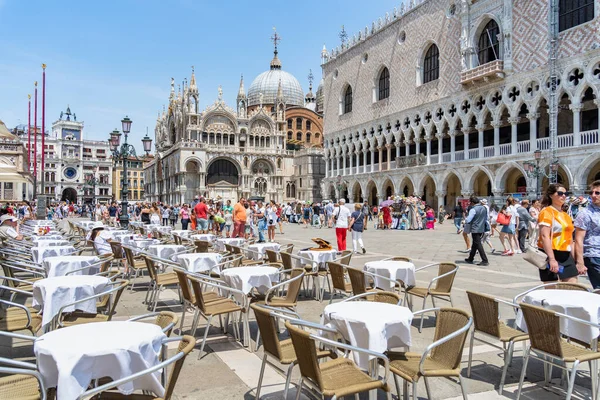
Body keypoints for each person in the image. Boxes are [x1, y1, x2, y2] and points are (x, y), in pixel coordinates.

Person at [538, 184, 583, 283]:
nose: (563, 196)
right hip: (550, 253)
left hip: (565, 255)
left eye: (565, 193)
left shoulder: (565, 215)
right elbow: (545, 236)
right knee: (552, 289)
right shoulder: (546, 212)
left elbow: (570, 239)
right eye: (560, 193)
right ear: (551, 195)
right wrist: (552, 259)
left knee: (572, 286)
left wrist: (575, 260)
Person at [574, 180, 600, 288]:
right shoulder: (585, 213)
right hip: (593, 254)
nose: (593, 195)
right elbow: (578, 239)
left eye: (597, 193)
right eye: (591, 192)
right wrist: (580, 262)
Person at [463, 196, 489, 266]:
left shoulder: (473, 209)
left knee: (478, 244)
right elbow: (486, 218)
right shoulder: (484, 208)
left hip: (475, 228)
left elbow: (468, 220)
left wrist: (464, 220)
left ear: (472, 202)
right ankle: (470, 258)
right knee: (475, 244)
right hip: (482, 228)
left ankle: (485, 260)